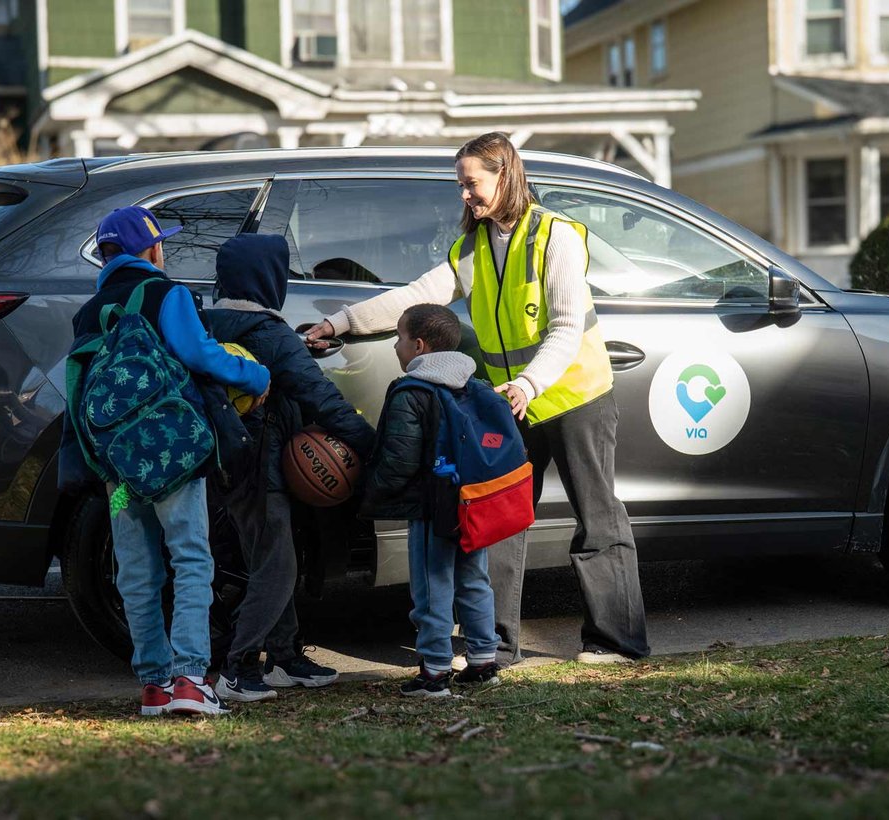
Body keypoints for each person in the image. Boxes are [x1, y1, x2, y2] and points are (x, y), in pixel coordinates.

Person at [306, 131, 650, 666]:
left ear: (504, 175)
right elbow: (416, 298)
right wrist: (341, 322)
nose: (465, 194)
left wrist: (530, 383)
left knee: (598, 517)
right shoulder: (471, 247)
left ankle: (617, 642)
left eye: (472, 183)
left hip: (573, 394)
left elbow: (564, 328)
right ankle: (495, 645)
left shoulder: (555, 236)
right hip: (511, 401)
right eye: (460, 185)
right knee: (501, 517)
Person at [60, 206, 271, 717]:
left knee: (136, 566)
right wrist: (255, 376)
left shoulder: (90, 311)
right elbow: (199, 354)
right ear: (151, 250)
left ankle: (153, 684)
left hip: (119, 470)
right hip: (172, 456)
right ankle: (191, 679)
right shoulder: (165, 294)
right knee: (191, 556)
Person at [201, 234, 376, 702]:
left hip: (221, 462)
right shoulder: (270, 334)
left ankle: (284, 656)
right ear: (269, 279)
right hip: (263, 466)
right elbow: (323, 400)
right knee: (277, 565)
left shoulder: (205, 323)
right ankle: (238, 669)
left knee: (266, 559)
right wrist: (372, 446)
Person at [360, 304, 503, 697]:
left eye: (399, 337)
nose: (395, 346)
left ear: (419, 346)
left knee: (431, 586)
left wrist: (371, 489)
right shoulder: (473, 386)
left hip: (430, 508)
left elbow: (399, 460)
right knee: (474, 580)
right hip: (471, 504)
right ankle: (483, 661)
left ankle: (435, 671)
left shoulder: (413, 392)